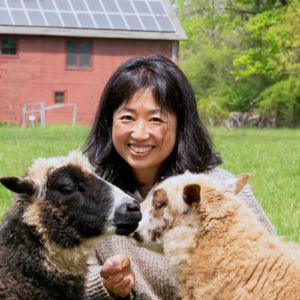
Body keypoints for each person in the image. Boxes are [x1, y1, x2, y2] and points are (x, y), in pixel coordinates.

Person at [83, 55, 276, 300]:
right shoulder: (85, 192)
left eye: (156, 119)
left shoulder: (217, 192)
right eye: (127, 117)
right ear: (108, 122)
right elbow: (62, 276)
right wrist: (105, 283)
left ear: (181, 126)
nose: (140, 133)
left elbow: (271, 269)